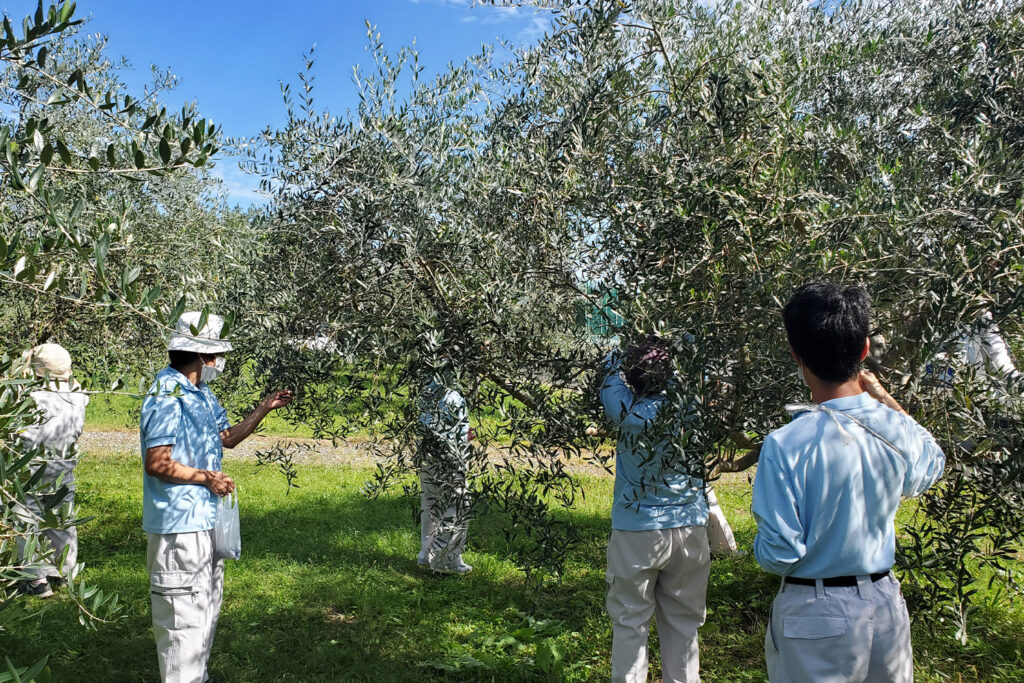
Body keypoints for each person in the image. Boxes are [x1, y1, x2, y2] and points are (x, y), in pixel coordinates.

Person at [752, 283, 945, 682]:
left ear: (796, 355)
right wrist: (885, 398)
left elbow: (780, 553)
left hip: (814, 610)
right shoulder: (894, 429)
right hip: (884, 601)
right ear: (864, 349)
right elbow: (932, 460)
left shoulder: (785, 444)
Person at [140, 311, 294, 683]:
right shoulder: (166, 395)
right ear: (200, 355)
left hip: (205, 520)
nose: (218, 364)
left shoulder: (202, 394)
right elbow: (157, 462)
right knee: (182, 621)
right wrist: (206, 477)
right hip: (178, 527)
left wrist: (262, 410)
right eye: (215, 357)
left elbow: (225, 437)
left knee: (205, 609)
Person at [600, 337, 710, 683]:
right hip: (690, 529)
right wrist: (678, 343)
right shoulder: (690, 405)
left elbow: (607, 372)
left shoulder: (625, 410)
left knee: (630, 623)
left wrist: (622, 349)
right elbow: (691, 373)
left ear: (632, 378)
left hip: (637, 532)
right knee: (684, 623)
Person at [15, 343, 89, 598]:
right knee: (61, 521)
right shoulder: (77, 398)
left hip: (28, 473)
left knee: (26, 522)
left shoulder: (27, 398)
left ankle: (36, 581)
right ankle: (64, 572)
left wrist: (22, 365)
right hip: (62, 471)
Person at [416, 375, 474, 575]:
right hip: (449, 456)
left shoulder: (427, 388)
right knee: (456, 504)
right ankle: (445, 559)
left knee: (430, 504)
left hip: (427, 453)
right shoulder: (453, 394)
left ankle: (427, 554)